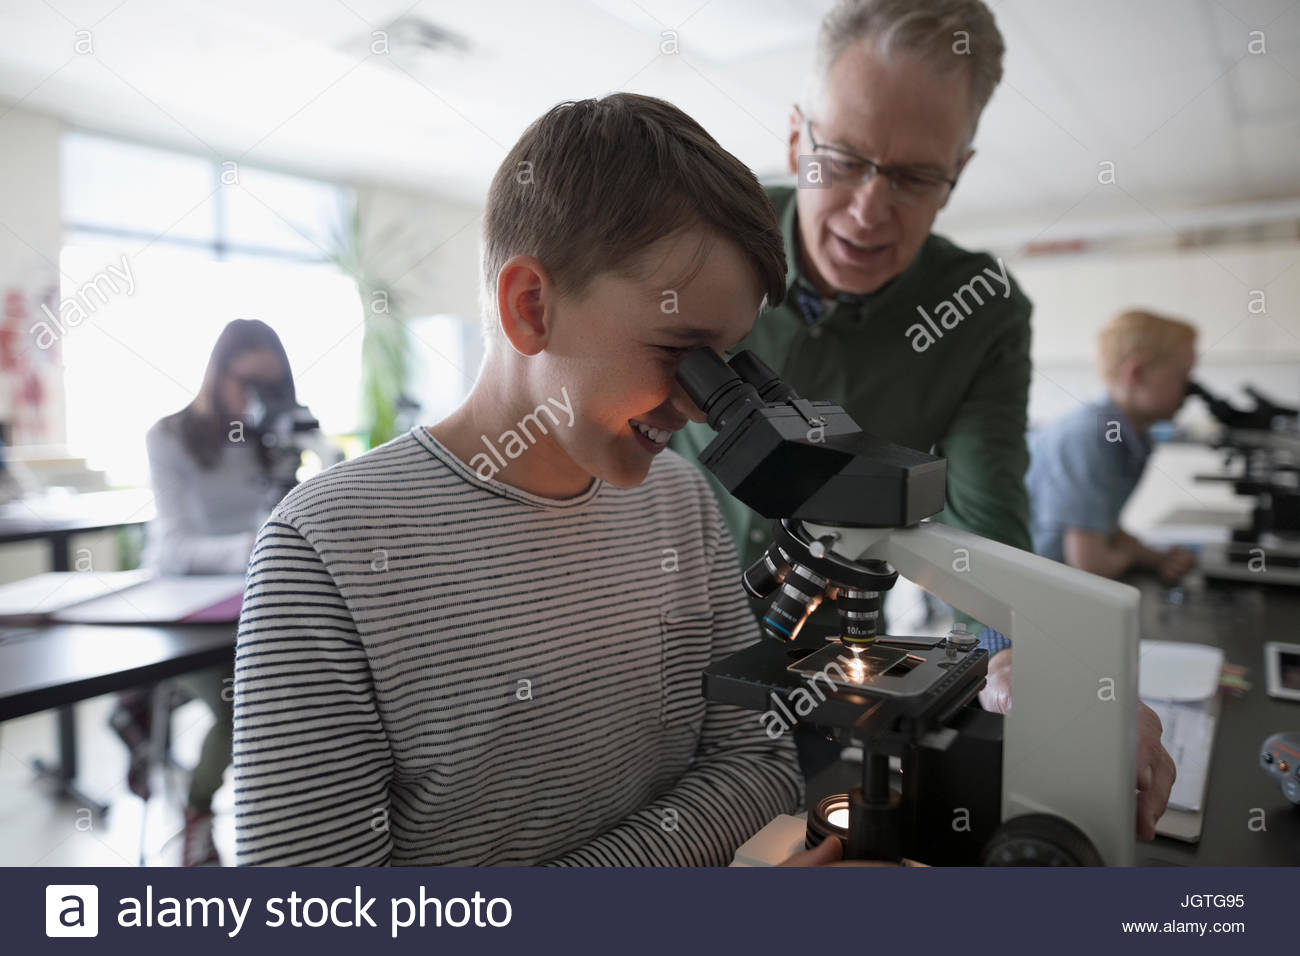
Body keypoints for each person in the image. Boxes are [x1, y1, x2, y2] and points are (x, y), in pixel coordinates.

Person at [231, 94, 806, 866]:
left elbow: (764, 765)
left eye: (724, 362)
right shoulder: (326, 551)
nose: (702, 408)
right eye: (680, 351)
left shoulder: (681, 503)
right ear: (530, 306)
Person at [669, 0, 1175, 840]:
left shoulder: (982, 311)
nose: (870, 210)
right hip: (657, 638)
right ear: (797, 140)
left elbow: (988, 530)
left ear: (959, 172)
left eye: (912, 177)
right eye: (843, 160)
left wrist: (1069, 679)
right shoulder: (696, 238)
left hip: (832, 675)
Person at [120, 318, 296, 866]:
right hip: (183, 608)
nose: (256, 398)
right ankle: (198, 815)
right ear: (217, 374)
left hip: (250, 602)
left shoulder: (272, 442)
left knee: (301, 691)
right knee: (238, 706)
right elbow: (173, 547)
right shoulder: (169, 437)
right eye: (247, 381)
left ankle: (137, 709)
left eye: (272, 386)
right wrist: (255, 544)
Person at [1027, 309, 1198, 582]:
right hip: (1020, 593)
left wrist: (1157, 558)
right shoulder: (1092, 436)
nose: (1190, 389)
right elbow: (1089, 564)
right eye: (1182, 375)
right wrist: (1132, 556)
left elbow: (1101, 523)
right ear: (1137, 373)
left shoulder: (1130, 435)